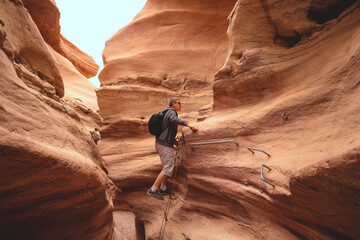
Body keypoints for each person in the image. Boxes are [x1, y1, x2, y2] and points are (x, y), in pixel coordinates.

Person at [147, 98, 197, 200]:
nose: (181, 105)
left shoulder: (166, 112)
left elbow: (166, 129)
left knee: (166, 166)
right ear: (173, 104)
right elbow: (173, 119)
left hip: (162, 143)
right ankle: (153, 190)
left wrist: (173, 141)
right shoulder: (171, 112)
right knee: (168, 167)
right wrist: (188, 125)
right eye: (179, 103)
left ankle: (163, 188)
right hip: (164, 145)